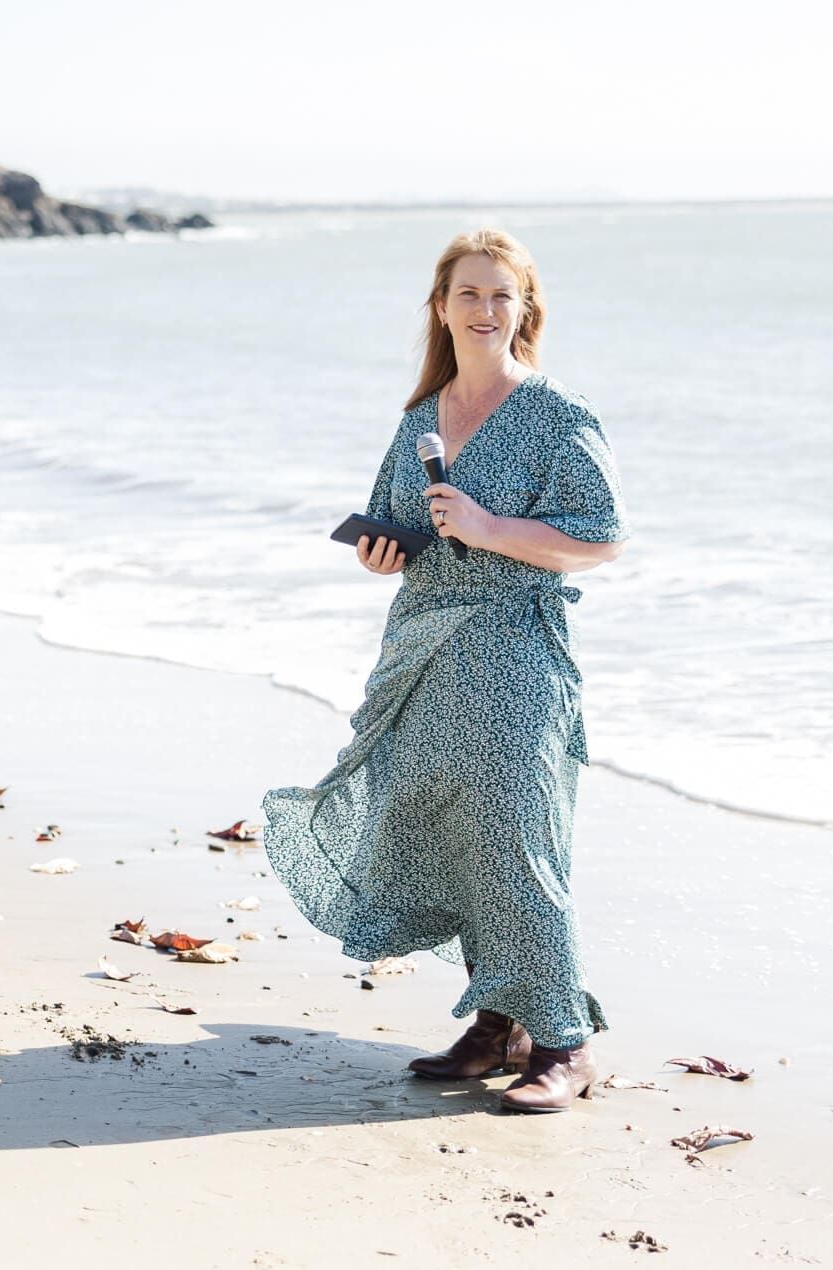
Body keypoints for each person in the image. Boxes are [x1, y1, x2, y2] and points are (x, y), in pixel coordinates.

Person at [260, 227, 629, 1114]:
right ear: (441, 307)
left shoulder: (557, 415)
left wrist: (490, 528)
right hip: (423, 648)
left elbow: (601, 537)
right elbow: (401, 526)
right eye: (468, 293)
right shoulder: (418, 418)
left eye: (502, 295)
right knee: (453, 831)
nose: (485, 309)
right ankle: (497, 1023)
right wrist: (383, 552)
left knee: (517, 837)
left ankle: (567, 1042)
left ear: (524, 309)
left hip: (514, 648)